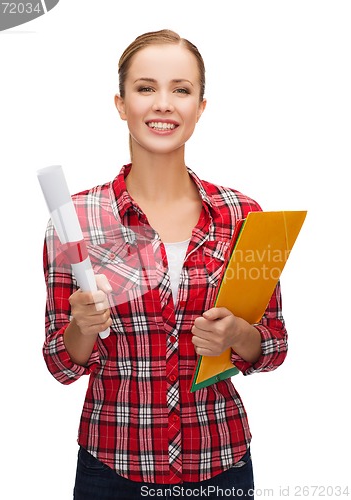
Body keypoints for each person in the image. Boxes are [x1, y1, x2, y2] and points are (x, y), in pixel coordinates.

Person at [42, 29, 288, 499]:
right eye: (145, 88)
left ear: (200, 106)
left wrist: (237, 334)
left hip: (220, 464)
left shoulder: (243, 215)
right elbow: (61, 362)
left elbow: (273, 345)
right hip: (111, 468)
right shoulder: (75, 219)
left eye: (181, 89)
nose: (163, 103)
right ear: (120, 103)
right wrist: (83, 326)